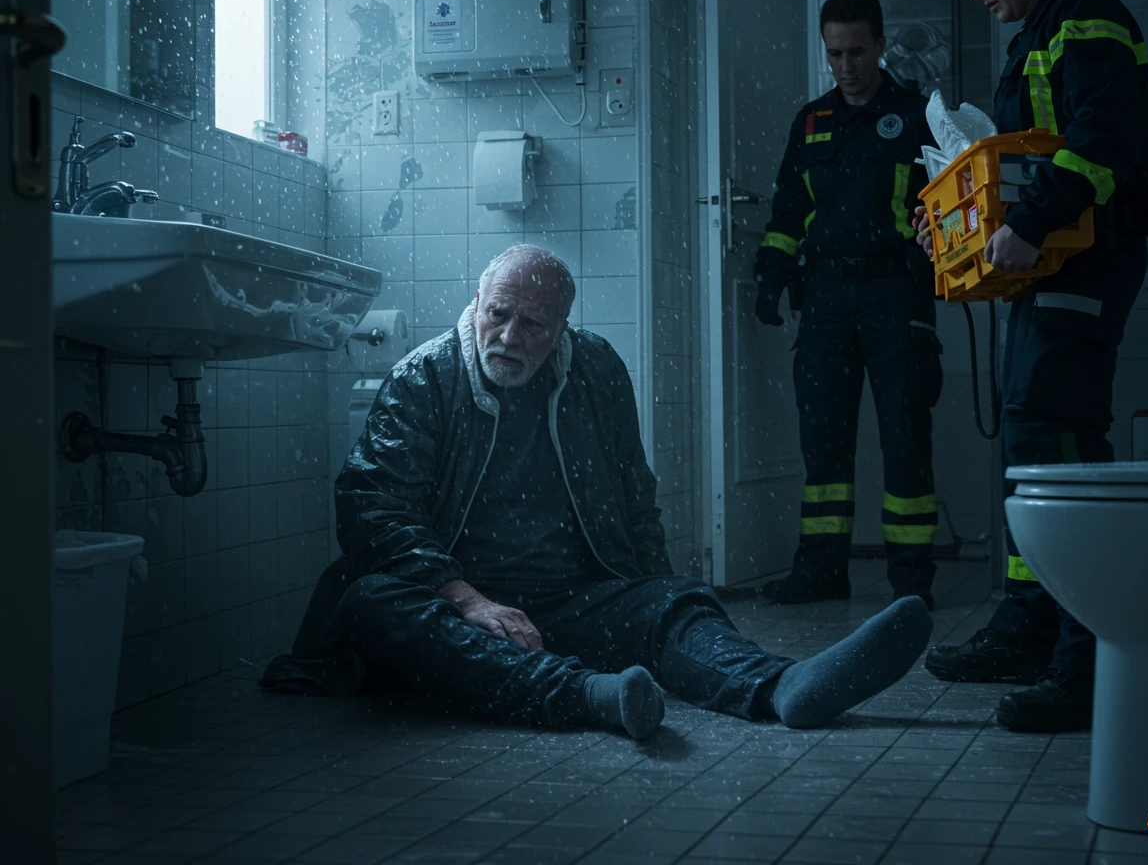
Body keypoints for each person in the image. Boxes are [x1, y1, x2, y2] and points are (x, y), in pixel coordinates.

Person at [260, 244, 934, 739]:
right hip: (456, 607)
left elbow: (634, 497)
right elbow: (371, 510)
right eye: (497, 315)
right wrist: (468, 600)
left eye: (533, 325)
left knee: (674, 597)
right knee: (370, 603)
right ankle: (588, 696)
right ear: (476, 304)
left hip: (570, 602)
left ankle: (780, 686)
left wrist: (656, 606)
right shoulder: (424, 379)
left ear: (562, 332)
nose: (509, 337)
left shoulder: (598, 372)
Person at [914, 0, 1148, 732]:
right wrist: (955, 222)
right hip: (1051, 261)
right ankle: (1032, 622)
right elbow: (1020, 160)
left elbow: (1107, 139)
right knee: (1032, 446)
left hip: (1079, 259)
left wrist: (1031, 222)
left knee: (1058, 443)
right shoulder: (1041, 28)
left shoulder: (1083, 17)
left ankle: (1084, 662)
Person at [753, 0, 944, 609]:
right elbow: (789, 208)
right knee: (824, 439)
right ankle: (822, 571)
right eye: (834, 54)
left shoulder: (919, 116)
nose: (846, 67)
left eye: (857, 51)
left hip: (896, 290)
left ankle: (911, 582)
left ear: (882, 45)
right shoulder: (810, 123)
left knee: (905, 436)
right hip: (827, 296)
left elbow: (948, 208)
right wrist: (772, 272)